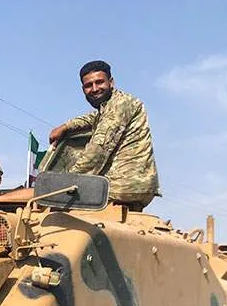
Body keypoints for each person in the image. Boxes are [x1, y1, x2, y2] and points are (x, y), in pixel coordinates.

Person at [47, 60, 159, 209]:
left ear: (111, 82)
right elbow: (93, 117)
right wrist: (66, 126)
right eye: (89, 85)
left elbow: (97, 151)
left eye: (99, 82)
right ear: (83, 89)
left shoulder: (119, 105)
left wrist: (64, 183)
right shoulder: (111, 106)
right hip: (133, 185)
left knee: (50, 204)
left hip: (123, 185)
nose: (94, 89)